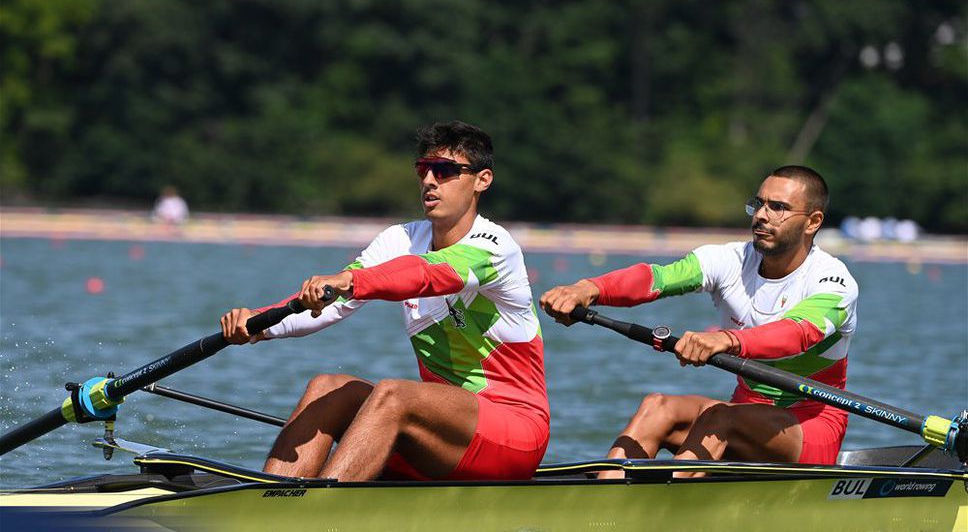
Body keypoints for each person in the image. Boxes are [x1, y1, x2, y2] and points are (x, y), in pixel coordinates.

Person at [221, 121, 548, 482]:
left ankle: (320, 513)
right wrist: (258, 324)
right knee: (327, 387)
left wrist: (350, 279)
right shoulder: (400, 239)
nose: (429, 181)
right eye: (423, 170)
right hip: (441, 435)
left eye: (444, 171)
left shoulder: (495, 247)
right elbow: (333, 303)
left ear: (482, 180)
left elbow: (427, 274)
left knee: (394, 394)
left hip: (514, 434)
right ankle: (274, 499)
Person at [540, 166, 857, 478]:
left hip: (808, 426)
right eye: (758, 203)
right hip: (744, 413)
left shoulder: (833, 282)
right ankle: (606, 497)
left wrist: (728, 340)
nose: (761, 215)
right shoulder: (731, 260)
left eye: (778, 208)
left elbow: (798, 334)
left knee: (719, 417)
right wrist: (589, 288)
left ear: (813, 222)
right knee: (658, 407)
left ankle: (661, 505)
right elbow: (659, 278)